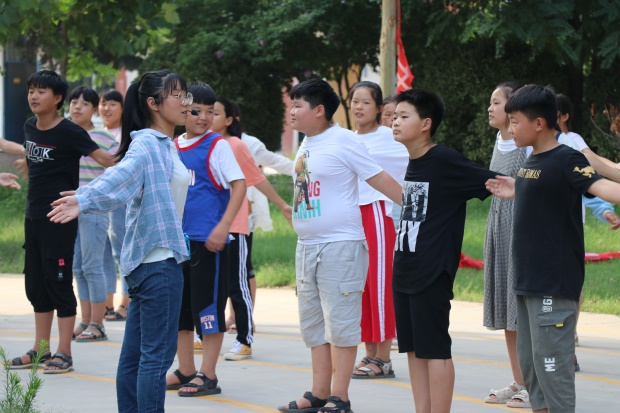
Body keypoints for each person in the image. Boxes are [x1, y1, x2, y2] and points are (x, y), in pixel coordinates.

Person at [48, 69, 192, 412]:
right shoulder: (149, 145)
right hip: (158, 264)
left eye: (186, 95)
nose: (186, 103)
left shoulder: (164, 145)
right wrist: (85, 198)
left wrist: (86, 197)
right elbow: (119, 176)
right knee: (156, 359)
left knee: (136, 357)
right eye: (178, 96)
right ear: (154, 103)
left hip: (149, 263)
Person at [486, 84, 620, 413]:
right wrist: (517, 187)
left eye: (515, 121)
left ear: (539, 123)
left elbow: (600, 186)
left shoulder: (566, 158)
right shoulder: (533, 160)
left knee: (552, 374)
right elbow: (543, 190)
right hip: (527, 281)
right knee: (533, 373)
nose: (511, 128)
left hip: (553, 285)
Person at [278, 79, 401, 413]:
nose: (292, 111)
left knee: (342, 325)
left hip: (341, 247)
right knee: (314, 326)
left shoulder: (345, 141)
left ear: (319, 110)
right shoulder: (306, 143)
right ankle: (318, 393)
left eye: (298, 105)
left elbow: (380, 178)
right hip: (307, 247)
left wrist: (419, 212)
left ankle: (340, 397)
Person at [392, 88, 501, 413]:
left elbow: (495, 181)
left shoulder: (444, 160)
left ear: (426, 124)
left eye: (403, 116)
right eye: (394, 116)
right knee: (413, 349)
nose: (395, 122)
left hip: (431, 271)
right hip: (405, 267)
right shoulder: (414, 161)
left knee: (434, 349)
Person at [6, 70, 114, 374]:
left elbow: (106, 161)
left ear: (56, 99)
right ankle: (40, 350)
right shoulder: (30, 126)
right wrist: (26, 163)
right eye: (31, 90)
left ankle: (64, 353)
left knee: (59, 284)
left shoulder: (70, 132)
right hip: (33, 217)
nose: (34, 96)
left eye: (41, 91)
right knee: (36, 286)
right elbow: (36, 159)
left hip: (60, 217)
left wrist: (91, 192)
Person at [165, 82, 246, 396]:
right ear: (183, 111)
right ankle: (185, 369)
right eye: (196, 111)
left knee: (208, 309)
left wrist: (223, 226)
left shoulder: (217, 146)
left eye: (210, 112)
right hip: (178, 242)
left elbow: (239, 185)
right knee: (180, 310)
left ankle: (208, 374)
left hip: (208, 242)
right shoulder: (173, 146)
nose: (203, 118)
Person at [211, 96, 292, 361]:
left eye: (214, 112)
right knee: (211, 284)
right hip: (205, 227)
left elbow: (257, 179)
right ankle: (206, 335)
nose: (207, 117)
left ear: (229, 120)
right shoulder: (201, 144)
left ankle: (244, 339)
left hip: (234, 225)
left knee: (237, 284)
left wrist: (282, 205)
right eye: (203, 111)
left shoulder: (236, 145)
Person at [348, 81, 408, 380]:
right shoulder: (346, 139)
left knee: (380, 285)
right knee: (362, 287)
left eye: (366, 102)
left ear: (378, 108)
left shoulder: (389, 138)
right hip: (352, 218)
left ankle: (384, 359)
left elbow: (416, 163)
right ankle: (370, 353)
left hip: (378, 214)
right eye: (354, 101)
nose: (359, 107)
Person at [482, 82, 531, 406]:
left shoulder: (526, 145)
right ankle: (519, 381)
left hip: (521, 229)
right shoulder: (499, 140)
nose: (490, 108)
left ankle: (534, 385)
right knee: (507, 312)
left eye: (496, 102)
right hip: (499, 226)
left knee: (522, 311)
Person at [67, 86, 118, 343]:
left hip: (94, 209)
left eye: (84, 103)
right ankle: (86, 320)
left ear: (94, 109)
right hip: (69, 209)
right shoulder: (65, 134)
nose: (77, 107)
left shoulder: (103, 138)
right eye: (74, 102)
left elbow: (120, 168)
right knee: (78, 267)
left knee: (92, 265)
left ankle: (98, 324)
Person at [98, 89, 131, 322]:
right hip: (98, 200)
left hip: (120, 199)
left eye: (112, 104)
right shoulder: (95, 134)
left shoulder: (127, 135)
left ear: (122, 108)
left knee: (121, 251)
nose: (107, 109)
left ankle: (126, 302)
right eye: (103, 104)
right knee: (103, 254)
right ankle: (106, 303)